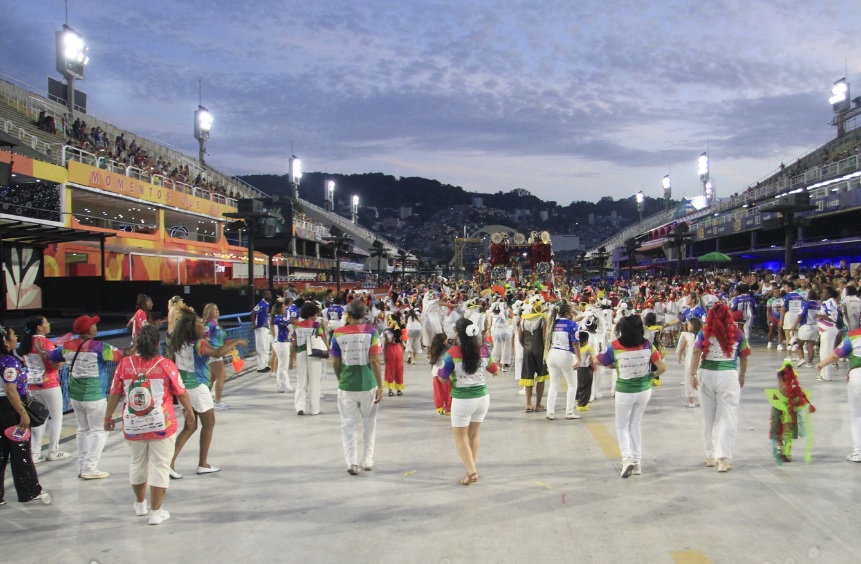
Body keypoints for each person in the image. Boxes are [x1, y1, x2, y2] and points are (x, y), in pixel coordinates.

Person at [104, 325, 195, 525]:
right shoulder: (166, 365)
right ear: (157, 343)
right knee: (160, 466)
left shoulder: (125, 364)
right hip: (161, 424)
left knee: (137, 462)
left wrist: (108, 416)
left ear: (137, 342)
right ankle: (156, 511)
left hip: (133, 423)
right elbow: (180, 391)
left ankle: (140, 504)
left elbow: (115, 393)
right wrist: (188, 411)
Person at [44, 315, 128, 480]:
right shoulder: (99, 347)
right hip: (94, 396)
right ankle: (90, 467)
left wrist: (44, 349)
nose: (96, 327)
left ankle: (82, 466)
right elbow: (123, 354)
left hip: (75, 397)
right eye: (95, 325)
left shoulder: (67, 346)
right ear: (90, 330)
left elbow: (50, 356)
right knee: (99, 431)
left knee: (82, 430)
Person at [167, 309, 247, 477]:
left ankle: (169, 463)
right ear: (191, 327)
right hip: (198, 387)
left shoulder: (178, 342)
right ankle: (203, 463)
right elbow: (217, 353)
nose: (202, 325)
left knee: (190, 427)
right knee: (208, 425)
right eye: (199, 323)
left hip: (184, 389)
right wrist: (237, 341)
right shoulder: (199, 343)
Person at [597, 314, 666, 478]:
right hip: (644, 390)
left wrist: (614, 365)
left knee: (621, 426)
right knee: (635, 424)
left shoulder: (615, 346)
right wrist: (651, 375)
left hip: (624, 392)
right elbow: (662, 368)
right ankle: (637, 463)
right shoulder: (648, 345)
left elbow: (597, 361)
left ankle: (626, 458)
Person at [690, 303, 751, 473]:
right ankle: (722, 458)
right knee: (727, 417)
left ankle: (709, 455)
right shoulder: (738, 333)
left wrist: (692, 374)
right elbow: (745, 356)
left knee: (708, 417)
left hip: (706, 374)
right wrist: (742, 375)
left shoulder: (704, 332)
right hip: (728, 376)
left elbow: (696, 352)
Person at [438, 318, 499, 485]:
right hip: (483, 399)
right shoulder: (484, 351)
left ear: (458, 334)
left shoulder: (452, 353)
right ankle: (470, 471)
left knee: (460, 437)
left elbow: (442, 378)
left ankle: (471, 472)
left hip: (463, 400)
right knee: (474, 435)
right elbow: (495, 371)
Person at [330, 299, 384, 475]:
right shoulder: (372, 332)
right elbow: (375, 360)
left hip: (347, 385)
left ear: (348, 314)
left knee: (348, 425)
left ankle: (352, 462)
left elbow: (335, 361)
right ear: (365, 314)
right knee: (370, 424)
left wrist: (341, 379)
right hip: (368, 384)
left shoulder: (338, 334)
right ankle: (367, 460)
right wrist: (380, 386)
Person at [0, 325, 52, 505]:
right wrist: (23, 413)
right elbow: (11, 390)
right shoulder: (9, 362)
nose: (16, 338)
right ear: (5, 341)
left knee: (1, 452)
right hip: (10, 409)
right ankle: (28, 490)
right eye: (14, 335)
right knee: (20, 450)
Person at [20, 316, 69, 464]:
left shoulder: (25, 343)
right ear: (39, 327)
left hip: (32, 385)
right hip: (50, 384)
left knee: (39, 418)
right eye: (46, 322)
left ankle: (34, 453)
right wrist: (65, 358)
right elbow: (54, 365)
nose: (48, 324)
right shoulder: (45, 342)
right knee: (56, 417)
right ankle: (53, 451)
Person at [815, 325, 861, 462]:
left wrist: (820, 365)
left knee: (857, 415)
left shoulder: (853, 336)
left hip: (857, 377)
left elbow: (836, 354)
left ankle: (858, 451)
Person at [767, 362, 815, 465]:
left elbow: (773, 406)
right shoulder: (795, 394)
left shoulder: (777, 393)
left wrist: (770, 417)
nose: (778, 383)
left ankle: (784, 451)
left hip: (778, 420)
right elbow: (801, 403)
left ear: (781, 381)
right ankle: (787, 452)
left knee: (777, 436)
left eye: (779, 381)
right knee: (788, 437)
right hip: (791, 419)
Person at [544, 303, 582, 420]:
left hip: (552, 354)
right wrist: (579, 359)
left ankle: (550, 412)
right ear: (566, 313)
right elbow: (575, 343)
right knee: (572, 384)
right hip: (566, 355)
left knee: (553, 385)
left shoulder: (553, 323)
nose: (573, 314)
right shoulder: (572, 324)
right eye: (571, 312)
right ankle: (569, 412)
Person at [289, 301, 327, 416]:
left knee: (301, 381)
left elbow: (294, 343)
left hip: (301, 353)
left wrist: (292, 358)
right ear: (312, 314)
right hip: (314, 354)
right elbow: (323, 339)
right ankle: (314, 409)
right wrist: (328, 350)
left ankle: (300, 406)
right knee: (314, 381)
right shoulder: (316, 325)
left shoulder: (297, 326)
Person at [519, 298, 550, 412]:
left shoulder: (523, 321)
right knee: (541, 377)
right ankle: (538, 404)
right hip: (539, 350)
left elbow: (520, 338)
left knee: (528, 377)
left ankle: (528, 404)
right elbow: (544, 338)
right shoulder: (542, 320)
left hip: (527, 350)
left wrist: (526, 347)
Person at [202, 303, 232, 409]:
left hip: (218, 352)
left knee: (213, 377)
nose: (217, 311)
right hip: (214, 353)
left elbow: (219, 338)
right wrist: (212, 351)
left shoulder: (216, 323)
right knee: (221, 376)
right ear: (209, 312)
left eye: (217, 309)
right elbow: (205, 340)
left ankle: (206, 399)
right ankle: (217, 401)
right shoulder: (209, 324)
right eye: (214, 309)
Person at [677, 318, 704, 408]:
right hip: (701, 358)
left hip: (690, 358)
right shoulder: (702, 335)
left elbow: (682, 348)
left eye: (689, 324)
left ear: (693, 325)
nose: (687, 326)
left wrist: (680, 356)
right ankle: (702, 398)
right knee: (700, 377)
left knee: (689, 377)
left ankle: (691, 401)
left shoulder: (687, 336)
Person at [818, 286, 841, 382]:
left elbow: (833, 317)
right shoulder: (830, 302)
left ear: (829, 294)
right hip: (826, 330)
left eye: (824, 292)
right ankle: (823, 374)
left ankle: (827, 376)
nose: (822, 294)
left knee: (826, 353)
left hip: (828, 330)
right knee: (823, 352)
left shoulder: (829, 302)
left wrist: (819, 315)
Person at [271, 300, 294, 394]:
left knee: (283, 365)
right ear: (280, 309)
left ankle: (283, 385)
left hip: (282, 343)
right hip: (281, 343)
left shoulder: (278, 318)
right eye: (284, 307)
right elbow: (291, 321)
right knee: (283, 365)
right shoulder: (279, 318)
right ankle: (282, 386)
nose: (285, 309)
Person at [428, 333, 451, 415]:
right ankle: (448, 408)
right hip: (445, 373)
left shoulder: (434, 349)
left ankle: (439, 408)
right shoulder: (448, 349)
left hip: (435, 372)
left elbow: (432, 362)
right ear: (444, 341)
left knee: (438, 392)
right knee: (448, 392)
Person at [383, 312, 406, 396]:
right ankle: (399, 390)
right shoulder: (400, 330)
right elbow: (402, 342)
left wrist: (384, 354)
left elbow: (385, 344)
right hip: (398, 350)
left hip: (390, 350)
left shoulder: (387, 332)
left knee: (390, 369)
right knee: (399, 369)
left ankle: (390, 390)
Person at [575, 331, 596, 412]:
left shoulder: (575, 349)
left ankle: (577, 399)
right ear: (586, 341)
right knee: (586, 387)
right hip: (585, 369)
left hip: (577, 369)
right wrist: (594, 367)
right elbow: (591, 361)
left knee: (578, 384)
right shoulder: (588, 349)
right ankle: (582, 405)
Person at [251, 290, 272, 372]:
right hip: (261, 328)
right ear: (263, 295)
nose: (269, 295)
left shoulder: (267, 304)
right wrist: (254, 324)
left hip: (266, 328)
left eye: (269, 293)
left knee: (266, 348)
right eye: (267, 294)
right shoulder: (261, 304)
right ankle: (260, 367)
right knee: (261, 348)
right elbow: (252, 313)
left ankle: (265, 364)